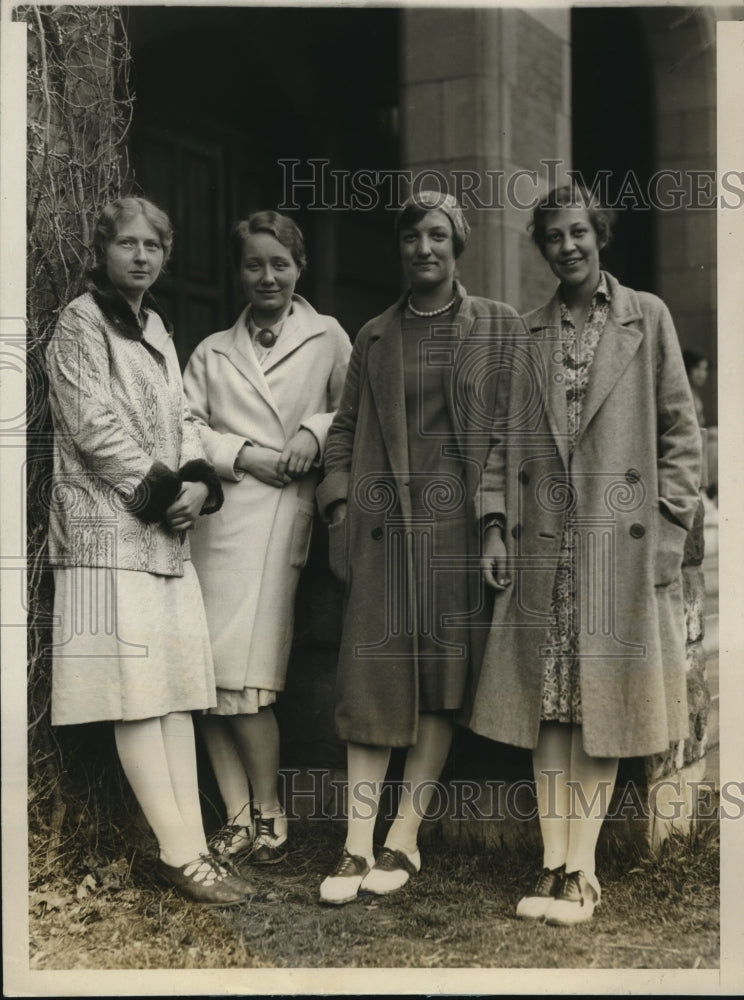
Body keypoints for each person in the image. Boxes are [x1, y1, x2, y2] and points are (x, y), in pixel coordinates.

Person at [470, 185, 702, 925]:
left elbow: (680, 439)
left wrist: (666, 536)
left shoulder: (648, 317)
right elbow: (505, 442)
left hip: (618, 546)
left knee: (603, 706)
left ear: (599, 235)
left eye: (579, 232)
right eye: (553, 238)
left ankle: (584, 869)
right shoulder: (529, 332)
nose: (567, 246)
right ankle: (551, 860)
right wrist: (496, 525)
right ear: (541, 248)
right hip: (546, 546)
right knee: (551, 710)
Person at [46, 196, 254, 906]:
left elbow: (184, 419)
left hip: (163, 538)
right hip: (108, 536)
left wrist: (199, 483)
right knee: (135, 698)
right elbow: (93, 429)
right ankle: (177, 854)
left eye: (154, 246)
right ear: (104, 251)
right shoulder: (79, 324)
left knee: (172, 699)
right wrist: (169, 495)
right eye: (128, 244)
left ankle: (199, 851)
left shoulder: (158, 328)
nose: (141, 256)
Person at [316, 191, 519, 905]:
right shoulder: (374, 335)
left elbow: (510, 438)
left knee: (441, 680)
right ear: (399, 247)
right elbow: (342, 433)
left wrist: (496, 526)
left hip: (457, 530)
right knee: (369, 680)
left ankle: (403, 839)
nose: (423, 247)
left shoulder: (499, 327)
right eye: (411, 236)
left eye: (437, 235)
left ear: (457, 244)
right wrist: (340, 505)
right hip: (383, 528)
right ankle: (353, 844)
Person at [183, 211, 351, 865]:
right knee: (209, 684)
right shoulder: (212, 350)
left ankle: (271, 813)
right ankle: (236, 818)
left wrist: (314, 431)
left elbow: (354, 408)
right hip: (217, 522)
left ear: (299, 267)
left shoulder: (327, 336)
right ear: (238, 271)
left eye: (279, 263)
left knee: (248, 683)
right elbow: (186, 423)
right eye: (254, 264)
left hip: (282, 517)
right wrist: (244, 454)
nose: (267, 276)